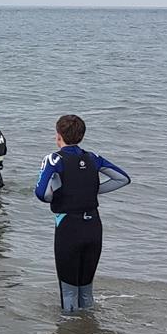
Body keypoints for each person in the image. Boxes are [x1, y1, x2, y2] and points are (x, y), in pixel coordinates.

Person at [35, 114, 131, 312]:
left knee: (69, 291)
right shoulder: (93, 157)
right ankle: (88, 330)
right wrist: (91, 190)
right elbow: (122, 179)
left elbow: (42, 194)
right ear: (81, 136)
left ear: (58, 135)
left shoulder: (54, 159)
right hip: (94, 227)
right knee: (86, 290)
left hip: (69, 228)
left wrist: (61, 193)